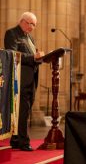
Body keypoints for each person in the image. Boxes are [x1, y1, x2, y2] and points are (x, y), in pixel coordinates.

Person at [4, 12, 44, 151]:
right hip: (19, 79)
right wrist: (34, 57)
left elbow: (32, 57)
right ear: (22, 21)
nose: (32, 27)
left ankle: (15, 139)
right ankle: (23, 141)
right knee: (22, 111)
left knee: (25, 110)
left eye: (34, 25)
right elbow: (13, 55)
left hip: (31, 79)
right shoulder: (12, 34)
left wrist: (40, 57)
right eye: (30, 23)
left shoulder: (30, 38)